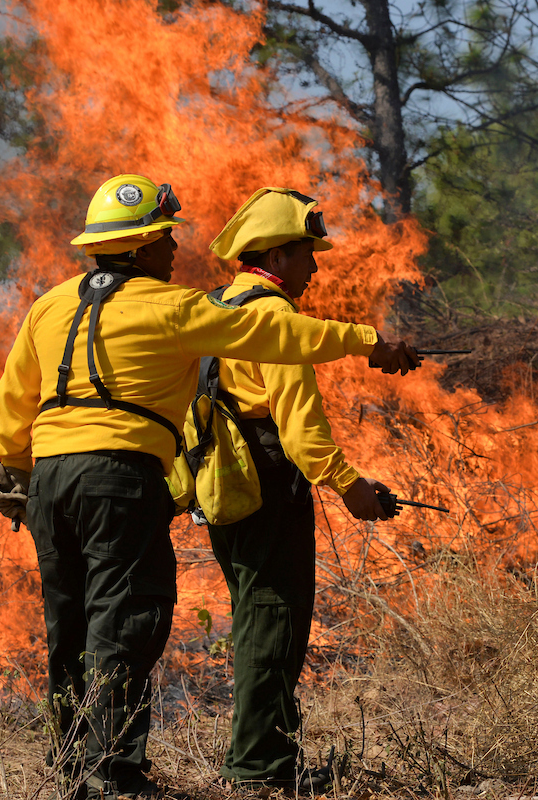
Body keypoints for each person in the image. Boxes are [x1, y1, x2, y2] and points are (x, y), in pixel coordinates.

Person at [0, 174, 419, 800]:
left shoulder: (48, 306)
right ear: (144, 245)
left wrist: (14, 471)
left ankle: (74, 766)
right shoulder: (172, 306)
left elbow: (11, 404)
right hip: (121, 478)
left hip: (50, 478)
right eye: (167, 238)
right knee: (125, 621)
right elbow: (283, 336)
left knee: (68, 622)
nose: (176, 250)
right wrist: (368, 341)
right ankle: (116, 776)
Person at [196, 187, 393, 789]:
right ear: (277, 257)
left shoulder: (214, 307)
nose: (315, 265)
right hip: (269, 482)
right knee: (273, 621)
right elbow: (302, 430)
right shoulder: (273, 317)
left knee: (256, 617)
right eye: (307, 253)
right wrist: (350, 487)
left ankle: (274, 754)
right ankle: (259, 767)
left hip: (223, 484)